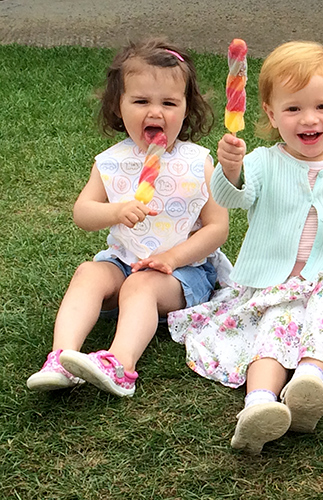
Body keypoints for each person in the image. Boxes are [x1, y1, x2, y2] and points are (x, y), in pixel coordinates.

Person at [167, 41, 323, 454]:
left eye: (322, 107)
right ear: (272, 114)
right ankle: (259, 405)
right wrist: (232, 168)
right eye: (293, 109)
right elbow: (232, 196)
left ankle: (309, 379)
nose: (309, 119)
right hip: (276, 283)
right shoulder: (262, 162)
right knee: (275, 326)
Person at [26, 38, 229, 398]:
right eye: (141, 101)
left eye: (169, 102)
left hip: (183, 274)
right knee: (89, 272)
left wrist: (171, 258)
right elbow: (83, 213)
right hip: (122, 261)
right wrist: (116, 211)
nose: (156, 112)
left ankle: (121, 364)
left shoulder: (198, 162)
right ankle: (60, 357)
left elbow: (217, 227)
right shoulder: (110, 161)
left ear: (186, 109)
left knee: (140, 286)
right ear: (118, 107)